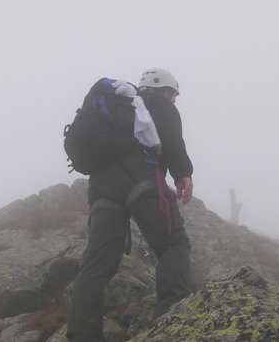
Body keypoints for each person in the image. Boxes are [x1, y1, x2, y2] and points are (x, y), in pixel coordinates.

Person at [66, 68, 194, 342]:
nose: (172, 100)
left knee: (98, 262)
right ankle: (174, 318)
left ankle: (82, 334)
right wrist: (183, 173)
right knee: (174, 245)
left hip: (101, 187)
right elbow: (172, 138)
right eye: (172, 95)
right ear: (165, 91)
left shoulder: (117, 111)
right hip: (141, 177)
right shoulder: (158, 104)